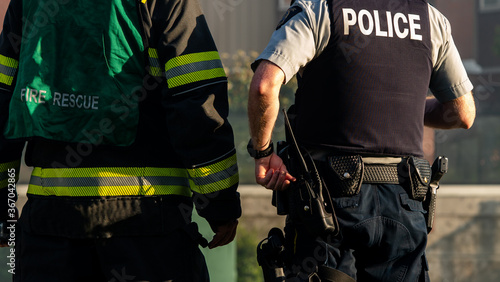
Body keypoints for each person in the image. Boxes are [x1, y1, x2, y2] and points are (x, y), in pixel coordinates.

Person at [0, 0, 241, 281]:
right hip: (147, 227)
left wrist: (4, 208)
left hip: (49, 230)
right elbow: (196, 100)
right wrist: (219, 206)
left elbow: (4, 98)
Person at [247, 0, 475, 281]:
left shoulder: (320, 10)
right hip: (405, 199)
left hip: (328, 202)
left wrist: (263, 152)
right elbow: (463, 113)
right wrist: (405, 106)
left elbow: (264, 85)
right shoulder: (429, 18)